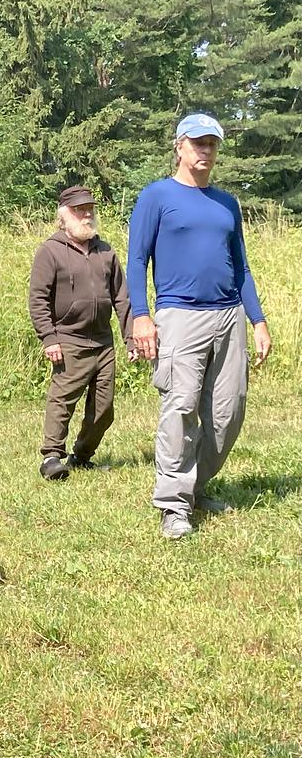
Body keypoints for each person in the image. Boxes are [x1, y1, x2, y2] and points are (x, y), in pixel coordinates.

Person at [127, 113, 272, 540]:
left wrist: (258, 319)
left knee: (228, 411)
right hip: (179, 316)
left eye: (211, 144)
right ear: (179, 147)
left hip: (229, 316)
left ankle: (195, 486)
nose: (205, 150)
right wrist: (141, 315)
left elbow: (241, 266)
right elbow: (137, 260)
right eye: (198, 143)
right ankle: (173, 505)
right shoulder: (156, 197)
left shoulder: (227, 203)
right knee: (181, 408)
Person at [28, 185, 133, 480]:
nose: (86, 214)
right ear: (64, 215)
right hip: (68, 340)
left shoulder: (106, 251)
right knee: (62, 400)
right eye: (79, 210)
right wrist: (49, 337)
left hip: (103, 342)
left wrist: (130, 337)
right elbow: (38, 298)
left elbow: (122, 297)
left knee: (104, 408)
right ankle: (51, 457)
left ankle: (82, 455)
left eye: (90, 209)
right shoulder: (50, 251)